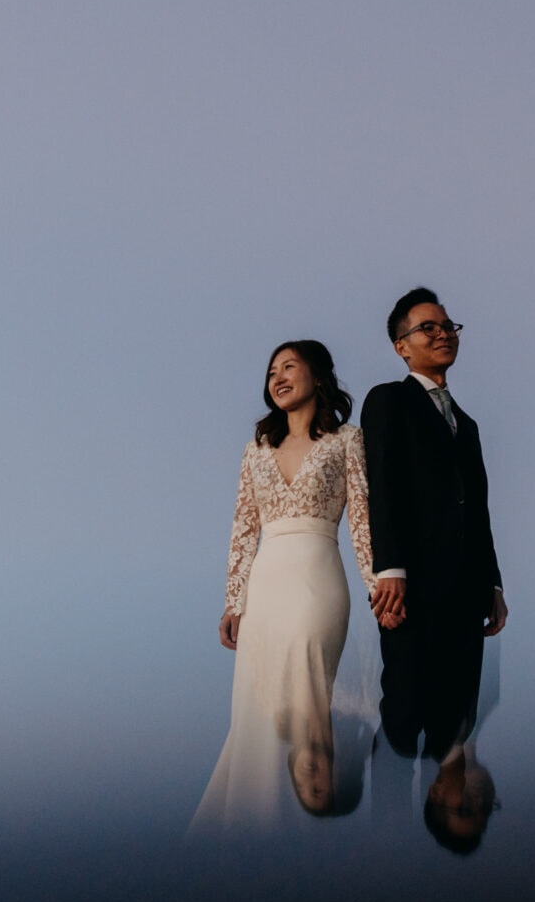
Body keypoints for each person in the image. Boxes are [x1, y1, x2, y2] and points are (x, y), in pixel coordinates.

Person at [190, 340, 377, 830]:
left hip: (318, 579)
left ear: (318, 376)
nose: (277, 376)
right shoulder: (256, 449)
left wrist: (377, 585)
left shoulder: (346, 440)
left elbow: (362, 518)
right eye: (272, 370)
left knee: (310, 694)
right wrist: (234, 601)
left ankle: (311, 814)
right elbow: (243, 528)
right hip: (264, 588)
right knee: (258, 709)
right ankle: (260, 823)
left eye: (289, 366)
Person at [363, 288, 507, 766]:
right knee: (403, 716)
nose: (443, 334)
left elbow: (478, 508)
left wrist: (494, 582)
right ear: (401, 345)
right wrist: (391, 570)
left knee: (453, 731)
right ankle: (386, 837)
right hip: (412, 590)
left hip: (467, 594)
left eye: (448, 326)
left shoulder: (467, 425)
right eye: (429, 327)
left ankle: (438, 834)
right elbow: (381, 486)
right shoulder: (388, 401)